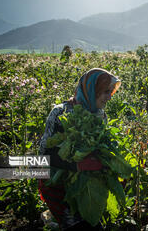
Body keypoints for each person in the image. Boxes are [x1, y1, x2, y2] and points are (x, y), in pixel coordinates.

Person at [38, 68, 121, 230]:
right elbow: (44, 155)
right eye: (105, 91)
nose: (110, 96)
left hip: (85, 184)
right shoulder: (60, 112)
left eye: (111, 92)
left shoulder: (100, 115)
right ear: (92, 90)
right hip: (56, 182)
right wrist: (77, 165)